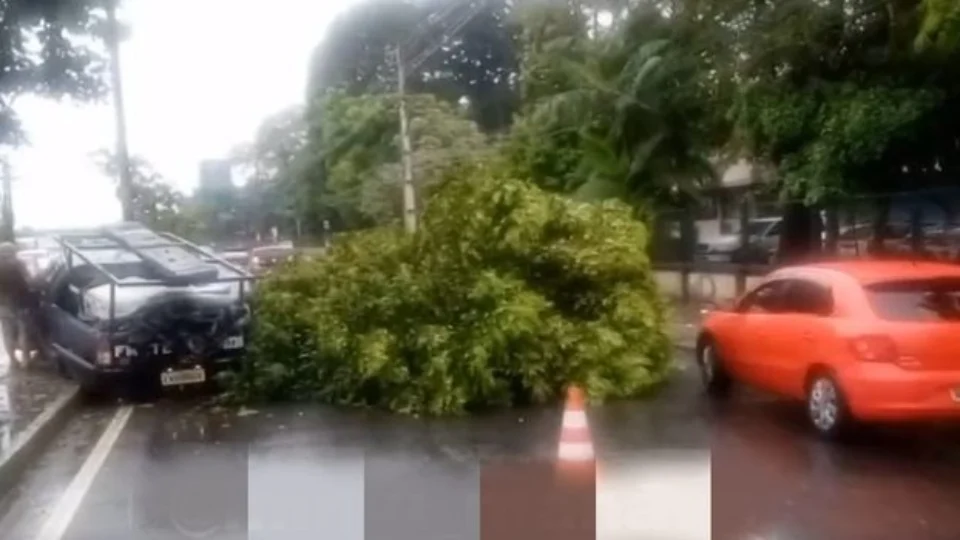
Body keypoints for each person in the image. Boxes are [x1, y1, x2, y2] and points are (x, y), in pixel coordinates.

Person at [0, 242, 41, 369]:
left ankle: (13, 360)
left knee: (7, 332)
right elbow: (30, 282)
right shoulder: (19, 264)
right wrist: (38, 274)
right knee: (23, 331)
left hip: (2, 304)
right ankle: (25, 360)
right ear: (13, 252)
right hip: (20, 303)